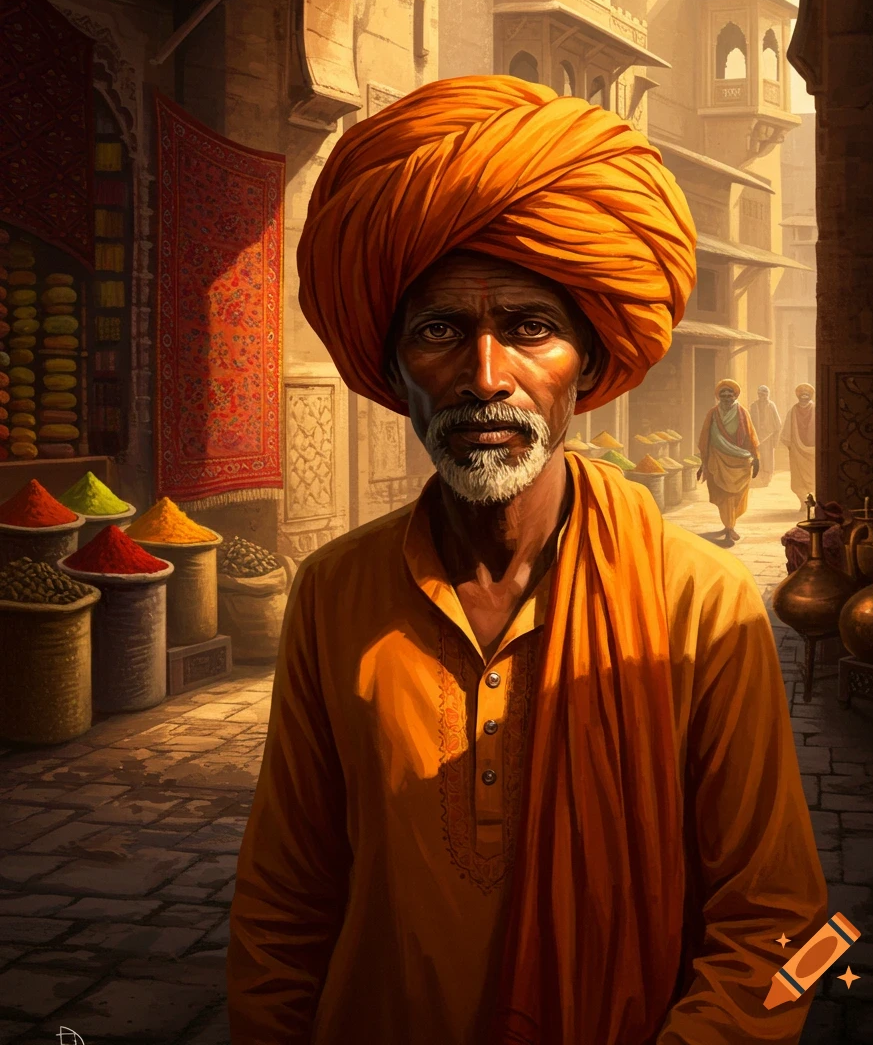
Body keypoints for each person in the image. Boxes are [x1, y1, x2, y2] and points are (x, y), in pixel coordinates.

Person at [227, 77, 825, 1045]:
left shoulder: (700, 605)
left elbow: (789, 931)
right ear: (390, 368)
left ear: (588, 363)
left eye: (529, 327)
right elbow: (283, 904)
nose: (484, 375)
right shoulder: (335, 592)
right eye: (437, 331)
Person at [697, 379, 761, 546]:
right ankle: (729, 526)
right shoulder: (712, 413)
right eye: (722, 395)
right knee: (724, 495)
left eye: (729, 395)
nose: (726, 398)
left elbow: (751, 436)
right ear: (719, 397)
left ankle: (730, 525)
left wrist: (756, 458)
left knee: (736, 495)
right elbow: (705, 438)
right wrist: (702, 462)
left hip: (740, 461)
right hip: (717, 460)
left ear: (735, 396)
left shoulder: (743, 413)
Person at [782, 382, 817, 511]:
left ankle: (814, 504)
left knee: (814, 476)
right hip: (797, 450)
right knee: (798, 479)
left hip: (814, 452)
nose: (804, 397)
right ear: (798, 396)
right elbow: (786, 431)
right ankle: (803, 503)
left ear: (810, 396)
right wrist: (790, 445)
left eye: (806, 395)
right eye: (801, 395)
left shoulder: (816, 409)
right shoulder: (793, 410)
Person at [749, 384, 782, 487]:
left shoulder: (771, 405)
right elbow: (750, 421)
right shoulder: (754, 406)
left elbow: (778, 423)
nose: (762, 397)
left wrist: (773, 435)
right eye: (760, 394)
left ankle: (766, 479)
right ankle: (758, 478)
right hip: (756, 437)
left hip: (768, 438)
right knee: (757, 457)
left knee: (767, 458)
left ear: (767, 395)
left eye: (764, 394)